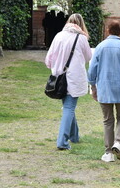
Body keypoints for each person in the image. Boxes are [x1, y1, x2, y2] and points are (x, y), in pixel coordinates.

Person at [87, 19, 120, 162]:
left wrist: (93, 87)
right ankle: (119, 142)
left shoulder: (100, 47)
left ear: (108, 30)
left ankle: (108, 152)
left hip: (104, 88)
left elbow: (92, 69)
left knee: (108, 120)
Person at [45, 13, 92, 150]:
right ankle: (62, 142)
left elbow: (49, 59)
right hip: (74, 77)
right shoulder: (81, 38)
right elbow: (88, 57)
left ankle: (74, 136)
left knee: (68, 107)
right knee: (69, 107)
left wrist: (55, 67)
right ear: (81, 24)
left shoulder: (59, 36)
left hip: (59, 77)